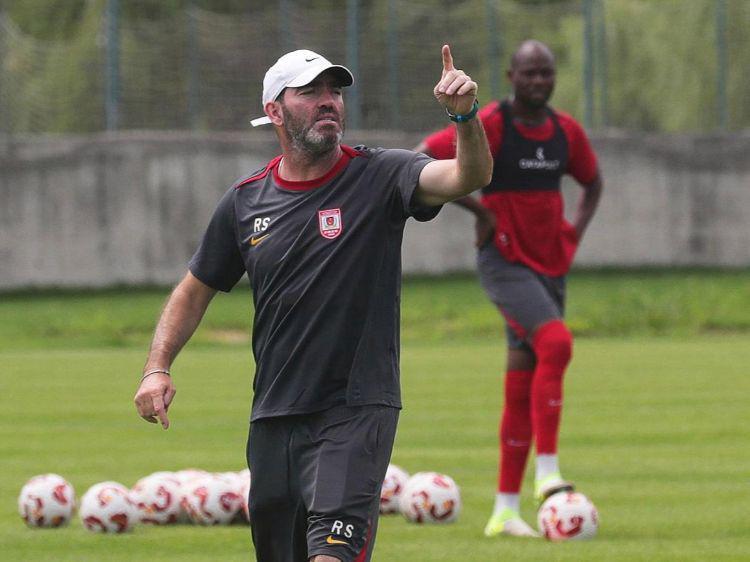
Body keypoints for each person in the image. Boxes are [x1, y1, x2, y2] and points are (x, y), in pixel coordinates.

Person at [134, 46, 491, 561]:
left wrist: (464, 116)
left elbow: (466, 177)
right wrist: (156, 367)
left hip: (355, 411)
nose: (329, 101)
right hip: (274, 416)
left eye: (335, 91)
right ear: (275, 111)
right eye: (310, 92)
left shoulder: (382, 175)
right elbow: (193, 290)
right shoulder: (245, 201)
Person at [414, 39, 603, 538]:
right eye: (529, 73)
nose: (539, 81)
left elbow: (593, 182)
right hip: (504, 262)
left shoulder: (566, 132)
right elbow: (421, 159)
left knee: (522, 381)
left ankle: (504, 511)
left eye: (546, 72)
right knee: (557, 343)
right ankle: (548, 472)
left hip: (549, 265)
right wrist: (479, 209)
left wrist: (574, 233)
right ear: (511, 76)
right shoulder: (494, 123)